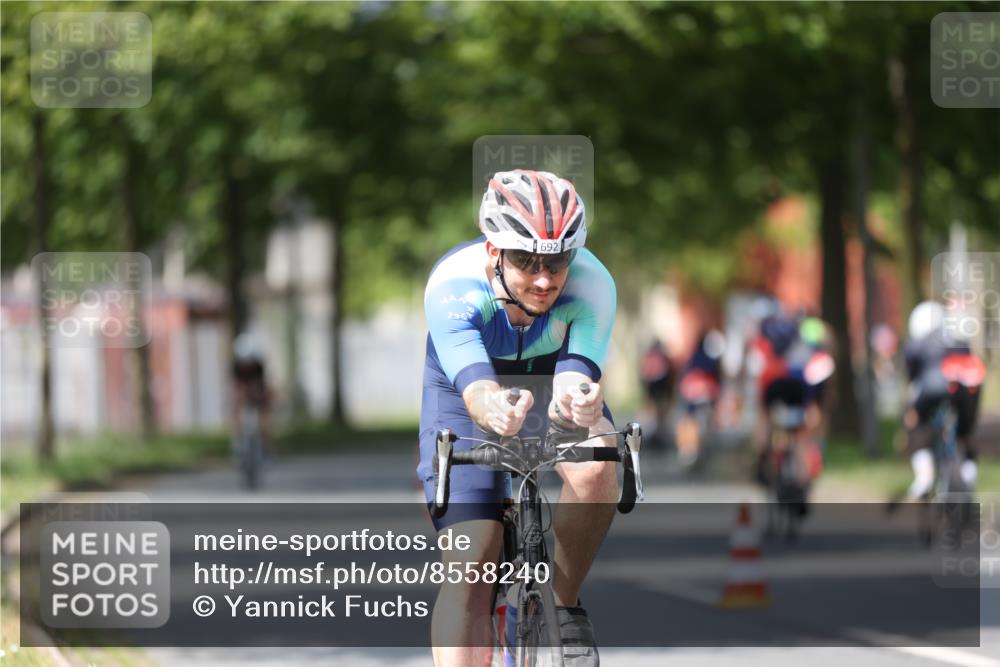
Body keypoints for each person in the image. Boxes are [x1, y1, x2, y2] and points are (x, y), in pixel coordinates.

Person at [418, 170, 616, 667]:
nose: (545, 279)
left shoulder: (593, 285)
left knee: (597, 464)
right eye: (527, 261)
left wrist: (581, 406)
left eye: (557, 261)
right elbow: (478, 393)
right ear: (494, 253)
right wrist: (494, 409)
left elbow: (574, 382)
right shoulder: (452, 286)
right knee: (472, 560)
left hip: (549, 373)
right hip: (466, 385)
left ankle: (563, 609)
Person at [901, 301, 985, 500]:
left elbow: (913, 380)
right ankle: (968, 473)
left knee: (915, 423)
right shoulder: (959, 339)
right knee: (965, 433)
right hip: (969, 386)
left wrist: (913, 411)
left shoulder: (916, 345)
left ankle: (924, 476)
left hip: (933, 388)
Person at [674, 329, 725, 465]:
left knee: (691, 420)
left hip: (695, 393)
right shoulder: (710, 360)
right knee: (692, 421)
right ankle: (690, 449)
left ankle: (689, 449)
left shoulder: (695, 357)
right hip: (698, 393)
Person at [231, 331, 272, 455]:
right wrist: (240, 395)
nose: (247, 365)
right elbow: (235, 384)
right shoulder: (236, 366)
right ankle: (237, 437)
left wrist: (259, 394)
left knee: (263, 407)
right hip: (243, 385)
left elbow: (261, 384)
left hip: (256, 385)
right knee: (237, 403)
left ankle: (264, 439)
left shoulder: (258, 365)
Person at [639, 339, 673, 449]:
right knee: (657, 411)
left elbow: (644, 373)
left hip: (654, 386)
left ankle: (651, 433)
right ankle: (655, 432)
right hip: (658, 387)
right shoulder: (662, 357)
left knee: (653, 410)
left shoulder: (651, 356)